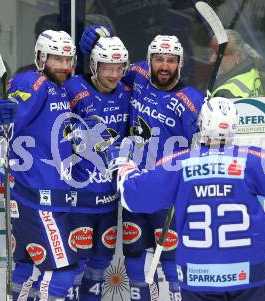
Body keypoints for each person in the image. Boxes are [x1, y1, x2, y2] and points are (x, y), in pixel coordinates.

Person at [108, 97, 265, 301]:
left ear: (202, 123)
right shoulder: (254, 160)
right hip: (249, 276)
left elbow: (133, 197)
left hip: (198, 279)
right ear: (234, 125)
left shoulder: (178, 163)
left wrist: (124, 166)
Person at [80, 27, 205, 301]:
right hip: (135, 185)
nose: (164, 66)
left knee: (173, 265)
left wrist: (205, 132)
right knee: (135, 262)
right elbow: (110, 64)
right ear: (148, 60)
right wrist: (101, 35)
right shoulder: (136, 75)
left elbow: (208, 145)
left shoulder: (193, 100)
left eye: (171, 60)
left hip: (168, 189)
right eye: (159, 59)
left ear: (180, 64)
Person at [0, 30, 82, 300]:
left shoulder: (57, 88)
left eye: (67, 59)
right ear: (41, 58)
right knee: (62, 272)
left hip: (39, 194)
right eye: (56, 59)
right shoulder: (33, 82)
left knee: (25, 267)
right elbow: (6, 123)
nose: (63, 66)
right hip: (38, 196)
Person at [63, 36, 131, 301]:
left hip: (110, 198)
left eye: (119, 67)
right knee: (75, 266)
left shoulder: (128, 91)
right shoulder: (72, 88)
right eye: (106, 67)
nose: (114, 74)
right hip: (78, 197)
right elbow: (52, 125)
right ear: (93, 65)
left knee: (100, 265)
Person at [210, 29, 265, 98]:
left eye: (219, 55)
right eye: (211, 53)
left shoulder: (226, 93)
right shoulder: (254, 73)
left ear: (238, 56)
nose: (212, 59)